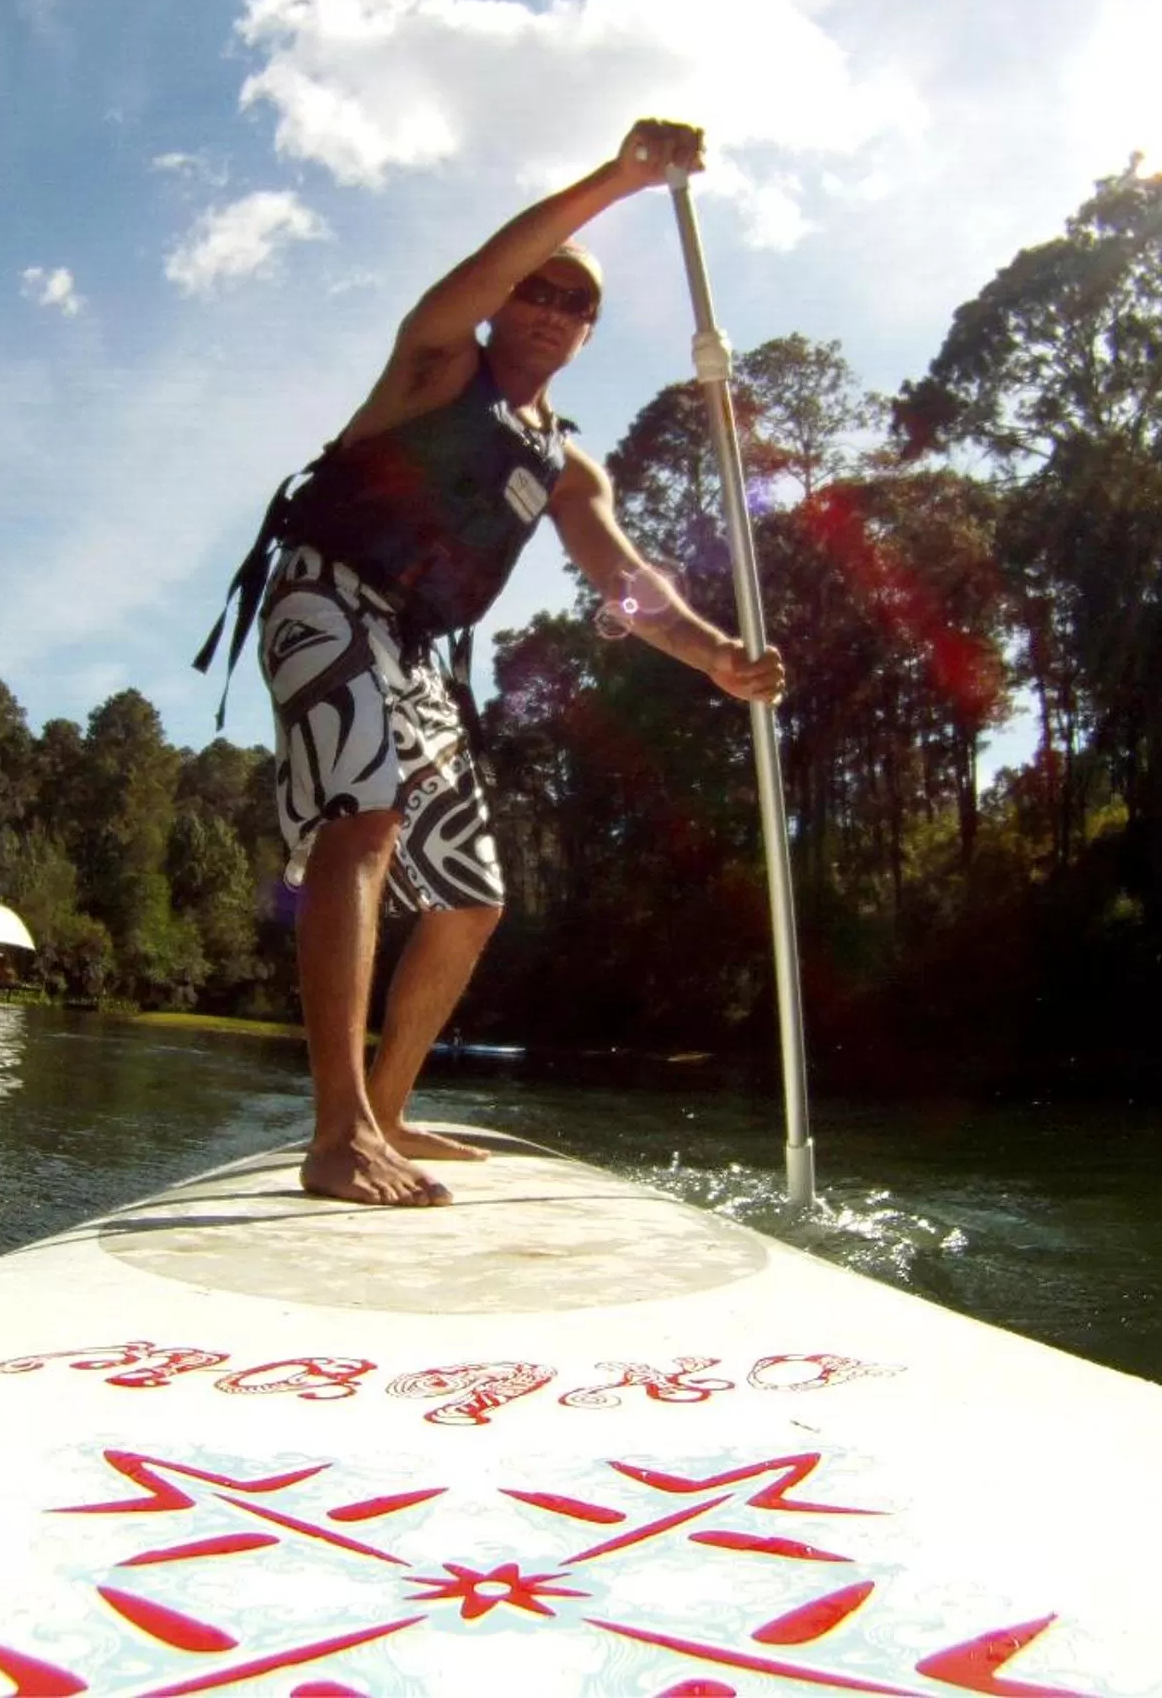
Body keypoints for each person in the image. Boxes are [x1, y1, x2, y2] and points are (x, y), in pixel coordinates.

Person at [199, 118, 786, 1207]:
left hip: (414, 648)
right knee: (363, 818)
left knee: (471, 897)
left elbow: (625, 578)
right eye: (542, 290)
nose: (554, 311)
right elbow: (485, 271)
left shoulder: (567, 464)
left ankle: (387, 1110)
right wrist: (622, 178)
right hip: (324, 596)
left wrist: (713, 656)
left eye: (581, 306)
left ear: (587, 337)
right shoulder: (435, 359)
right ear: (511, 294)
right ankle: (336, 1137)